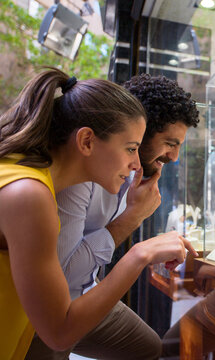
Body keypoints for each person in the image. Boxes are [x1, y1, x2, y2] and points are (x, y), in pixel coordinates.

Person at [0, 68, 196, 360]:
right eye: (131, 148)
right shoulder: (29, 194)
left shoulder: (31, 176)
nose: (134, 163)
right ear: (87, 141)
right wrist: (138, 253)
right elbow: (59, 331)